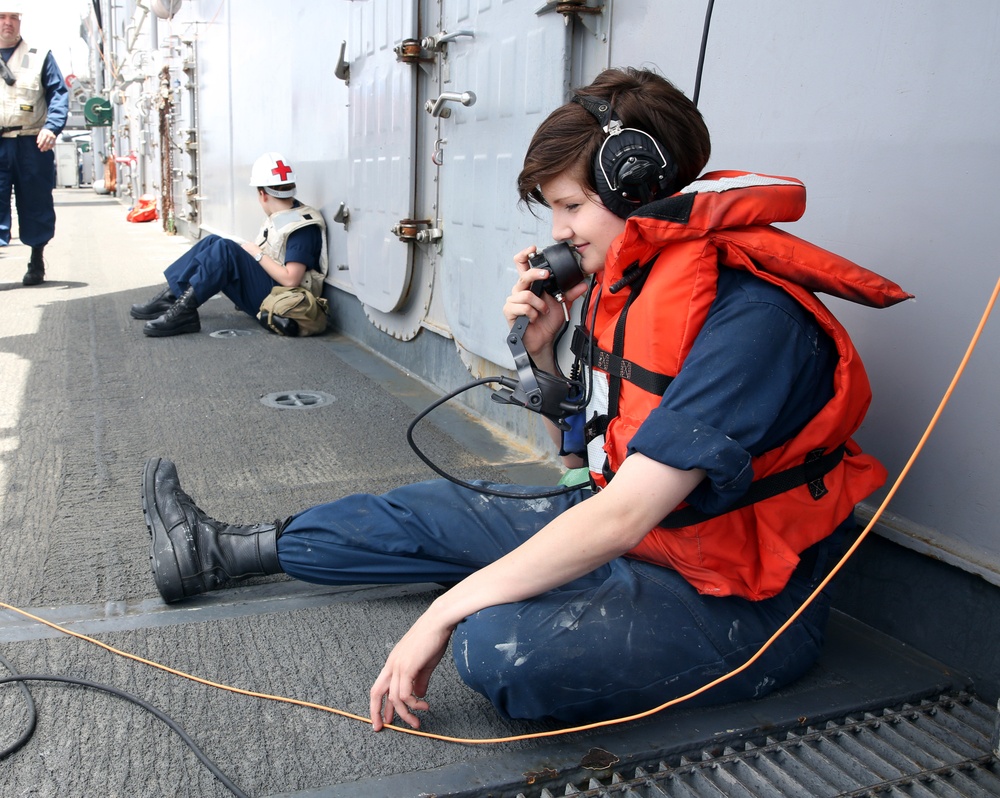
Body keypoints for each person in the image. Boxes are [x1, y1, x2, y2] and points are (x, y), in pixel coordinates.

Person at [140, 68, 910, 730]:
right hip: (639, 536)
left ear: (637, 185)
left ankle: (519, 597)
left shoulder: (753, 323)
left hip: (740, 601)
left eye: (571, 207)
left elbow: (623, 510)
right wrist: (544, 359)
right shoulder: (625, 287)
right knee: (430, 512)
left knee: (494, 644)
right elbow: (585, 469)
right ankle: (221, 552)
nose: (559, 232)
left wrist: (444, 611)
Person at [130, 152, 328, 337]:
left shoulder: (301, 227)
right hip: (274, 292)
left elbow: (291, 280)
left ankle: (184, 312)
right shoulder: (286, 214)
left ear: (262, 194)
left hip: (283, 302)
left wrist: (257, 254)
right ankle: (172, 297)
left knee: (225, 249)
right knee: (213, 241)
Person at [0, 3, 68, 286]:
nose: (8, 23)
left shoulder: (40, 56)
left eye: (13, 17)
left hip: (32, 142)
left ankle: (36, 259)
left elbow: (59, 94)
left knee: (36, 202)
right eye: (2, 17)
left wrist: (52, 128)